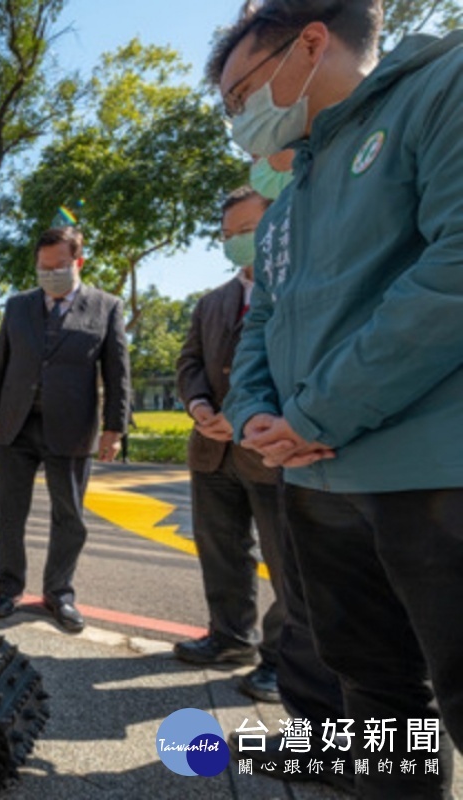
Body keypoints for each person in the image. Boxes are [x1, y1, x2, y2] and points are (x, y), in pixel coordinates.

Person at [211, 3, 463, 796]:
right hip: (318, 486)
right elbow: (267, 323)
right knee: (376, 699)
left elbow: (451, 275)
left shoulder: (441, 90)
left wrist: (317, 414)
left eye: (240, 93)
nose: (238, 119)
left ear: (310, 43)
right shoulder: (291, 198)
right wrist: (255, 413)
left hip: (431, 477)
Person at [0, 226, 130, 633]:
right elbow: (1, 364)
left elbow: (118, 372)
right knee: (9, 512)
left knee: (70, 516)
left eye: (59, 267)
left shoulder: (106, 306)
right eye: (43, 268)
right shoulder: (17, 307)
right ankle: (8, 588)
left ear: (78, 262)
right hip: (17, 424)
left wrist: (115, 428)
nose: (49, 275)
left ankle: (58, 592)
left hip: (72, 428)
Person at [174, 187, 287, 700]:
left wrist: (246, 417)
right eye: (228, 236)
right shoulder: (211, 302)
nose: (237, 242)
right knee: (220, 549)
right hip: (212, 449)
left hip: (272, 450)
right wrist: (199, 407)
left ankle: (285, 662)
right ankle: (230, 636)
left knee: (289, 563)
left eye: (247, 231)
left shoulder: (295, 286)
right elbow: (190, 363)